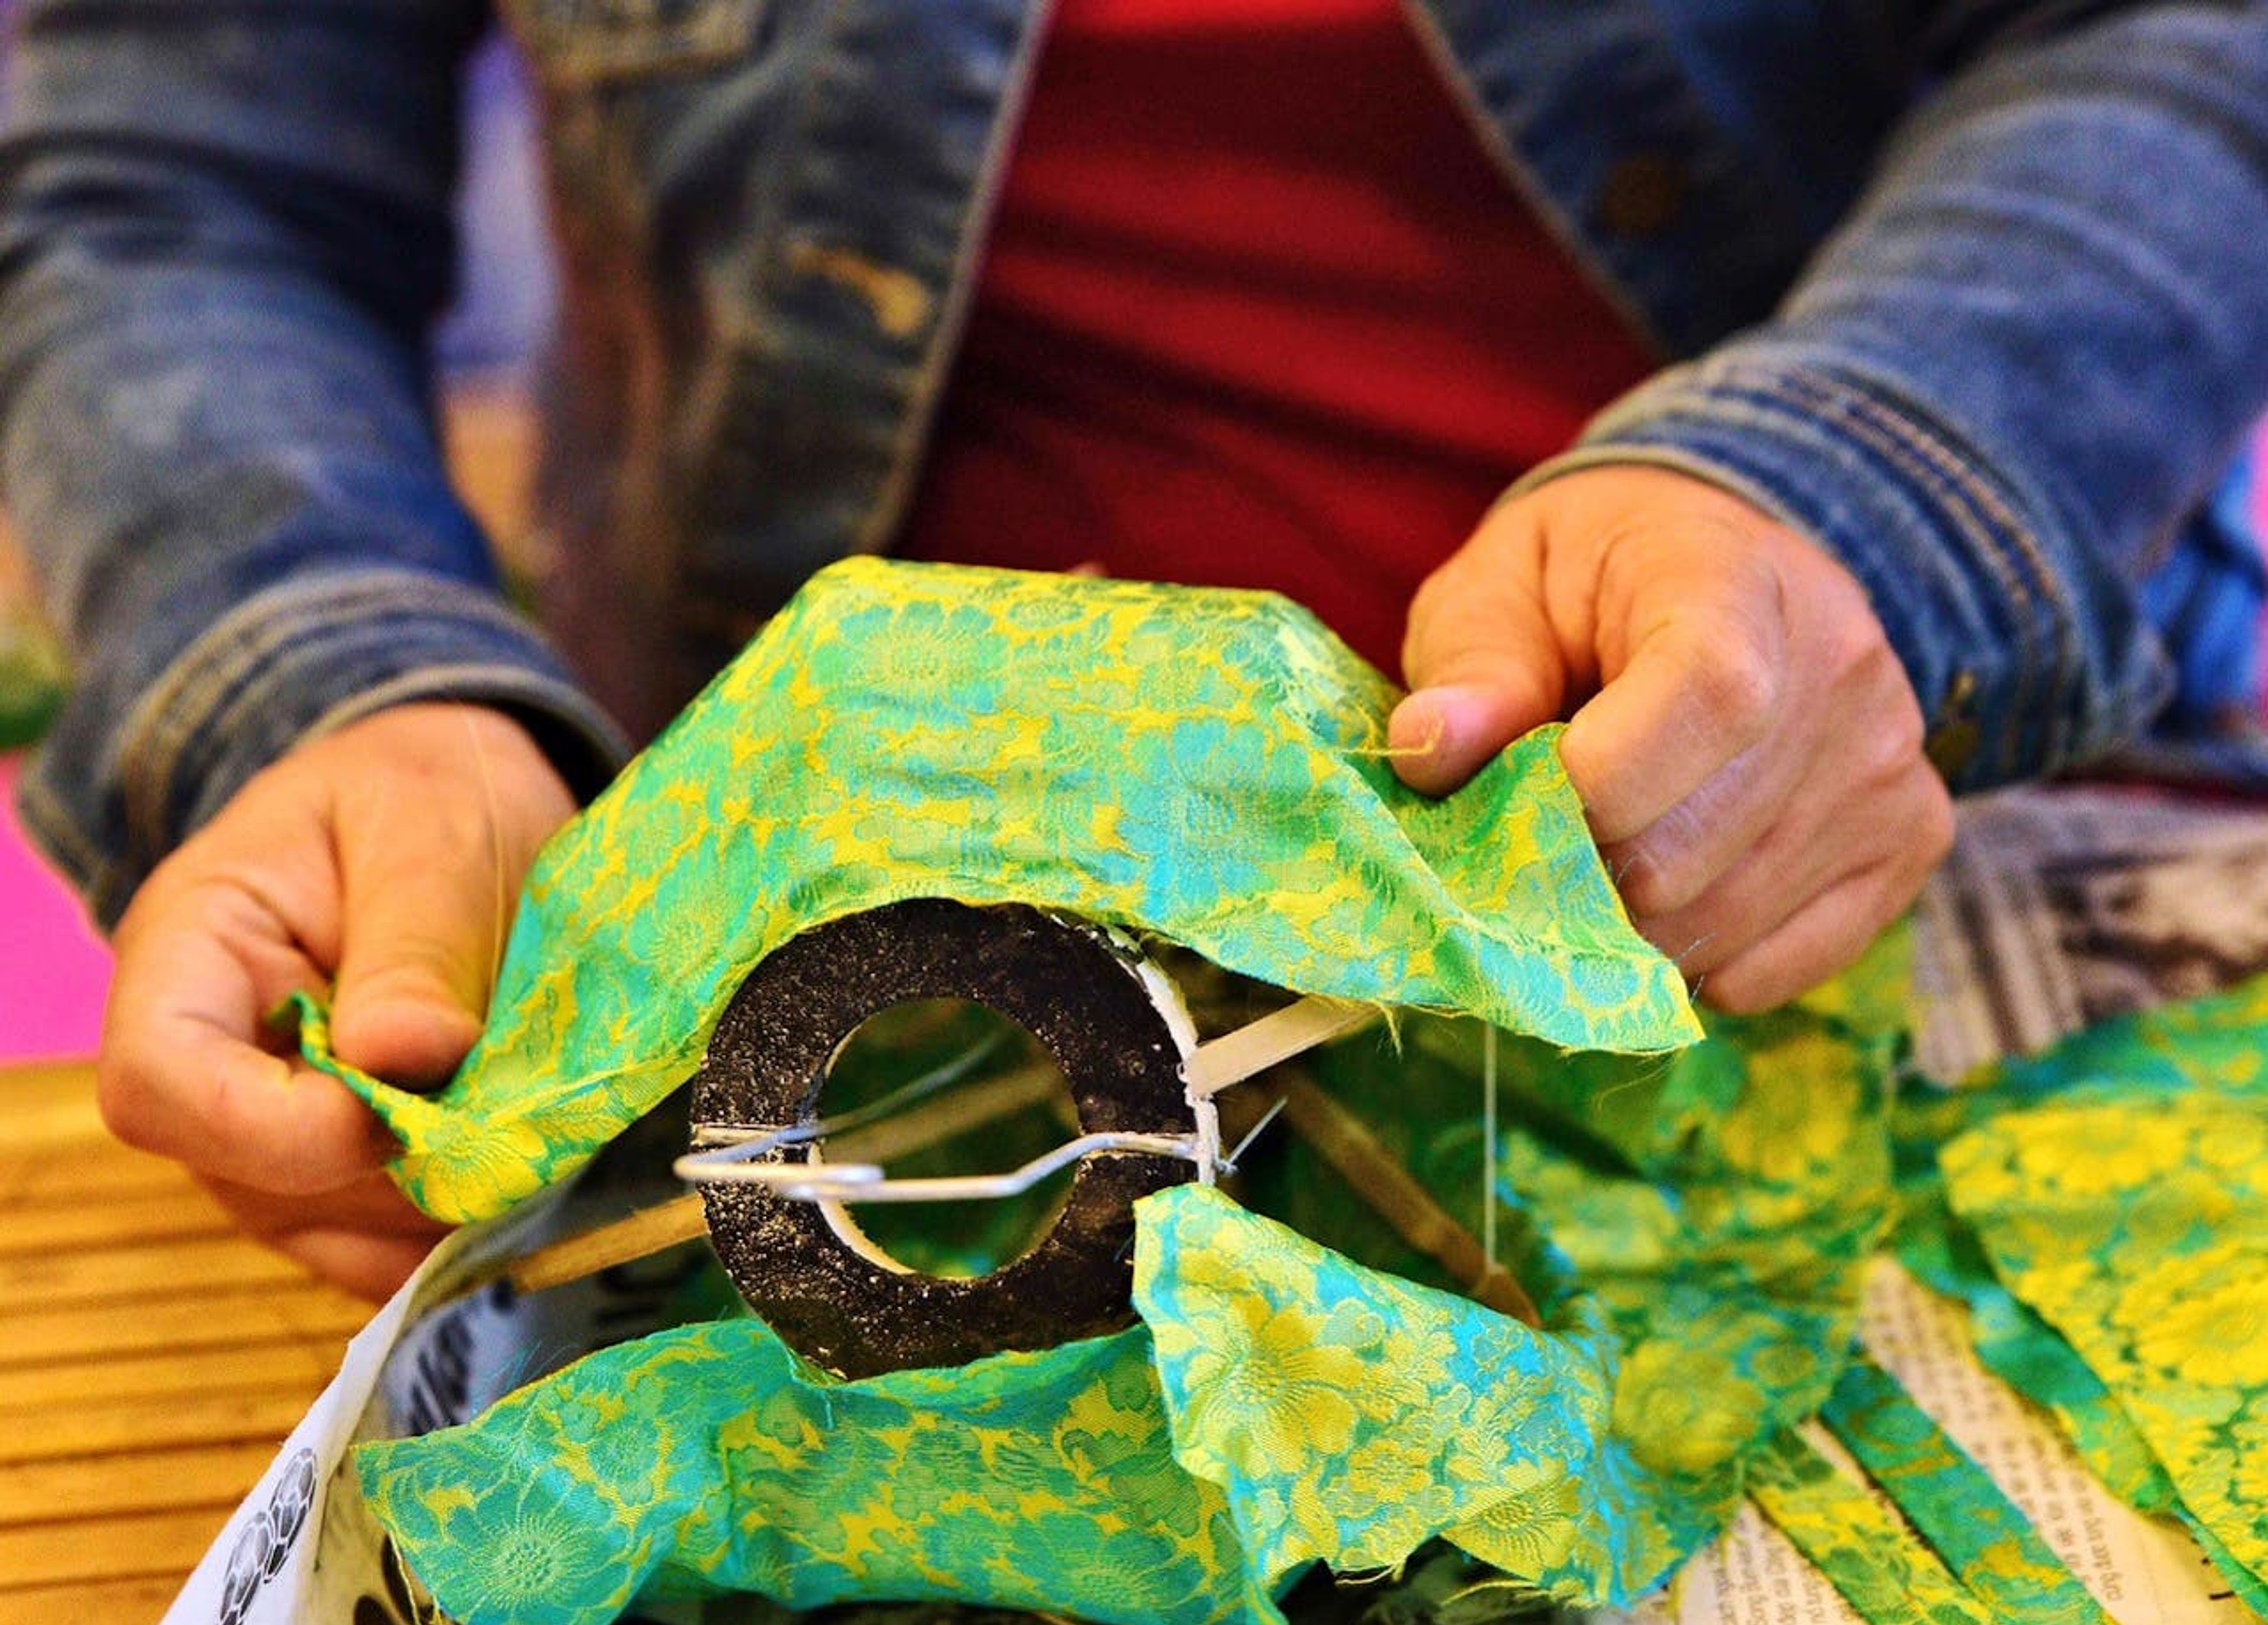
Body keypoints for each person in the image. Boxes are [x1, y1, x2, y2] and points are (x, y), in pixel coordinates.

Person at [0, 0, 2263, 1298]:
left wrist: (1863, 482)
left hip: (1852, 808)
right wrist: (325, 670)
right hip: (796, 942)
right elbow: (167, 179)